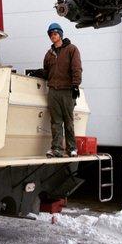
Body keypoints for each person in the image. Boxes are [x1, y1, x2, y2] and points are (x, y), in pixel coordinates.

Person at [43, 23, 82, 158]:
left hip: (67, 90)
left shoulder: (72, 49)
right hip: (53, 91)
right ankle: (57, 149)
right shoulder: (49, 54)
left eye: (55, 33)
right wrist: (39, 73)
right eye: (50, 34)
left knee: (68, 121)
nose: (53, 36)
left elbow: (76, 68)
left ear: (60, 34)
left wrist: (76, 85)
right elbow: (47, 72)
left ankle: (72, 148)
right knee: (56, 122)